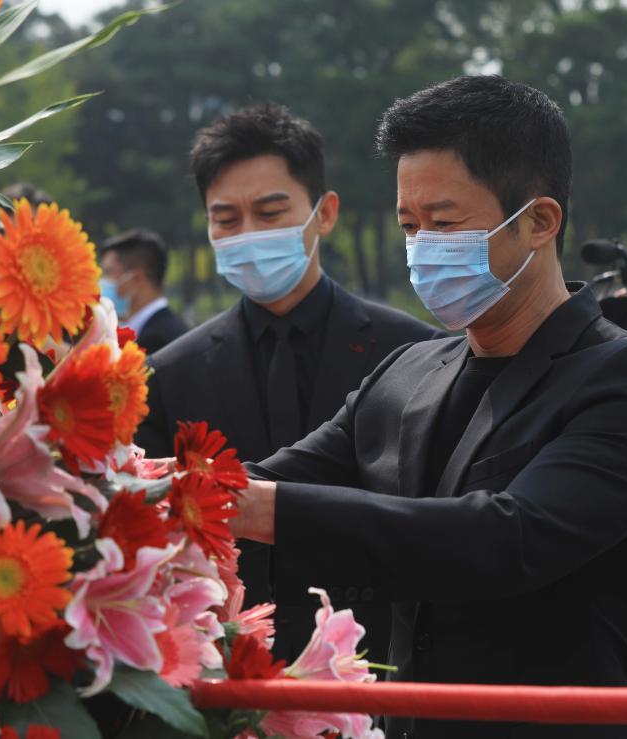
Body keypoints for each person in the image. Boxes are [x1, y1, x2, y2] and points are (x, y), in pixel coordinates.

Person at [230, 75, 627, 739]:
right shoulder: (408, 372)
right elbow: (265, 479)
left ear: (539, 221)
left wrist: (262, 507)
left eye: (445, 224)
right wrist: (148, 488)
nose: (423, 247)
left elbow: (507, 539)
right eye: (409, 226)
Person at [135, 102, 443, 662]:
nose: (248, 233)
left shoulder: (415, 353)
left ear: (324, 213)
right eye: (227, 219)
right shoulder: (169, 373)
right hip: (226, 663)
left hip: (377, 660)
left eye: (271, 212)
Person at [99, 229, 189, 355]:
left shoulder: (161, 341)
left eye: (109, 272)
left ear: (137, 278)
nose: (101, 281)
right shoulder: (144, 330)